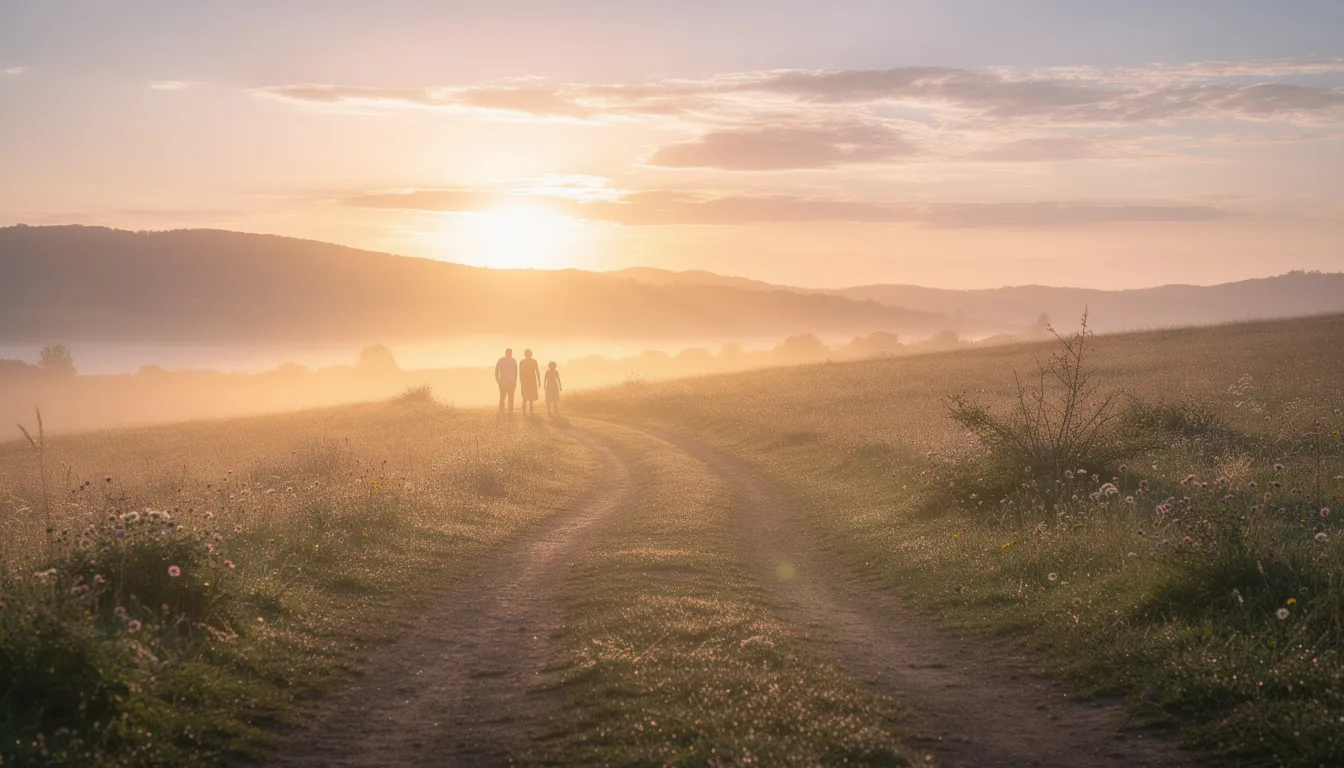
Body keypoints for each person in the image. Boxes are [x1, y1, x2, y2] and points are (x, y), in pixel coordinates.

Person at [494, 348, 517, 414]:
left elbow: (515, 372)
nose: (510, 354)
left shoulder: (513, 361)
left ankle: (510, 410)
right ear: (506, 353)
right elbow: (497, 370)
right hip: (503, 382)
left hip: (511, 382)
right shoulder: (501, 360)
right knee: (502, 397)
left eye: (511, 353)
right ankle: (501, 409)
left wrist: (515, 382)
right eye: (509, 352)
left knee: (511, 397)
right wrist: (497, 379)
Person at [519, 349, 541, 416]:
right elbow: (520, 372)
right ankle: (524, 411)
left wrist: (539, 381)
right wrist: (521, 381)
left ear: (531, 354)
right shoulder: (522, 362)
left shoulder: (534, 361)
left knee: (531, 397)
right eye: (527, 353)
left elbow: (537, 371)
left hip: (532, 380)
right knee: (525, 397)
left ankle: (531, 411)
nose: (528, 355)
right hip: (525, 380)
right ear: (525, 354)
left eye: (529, 353)